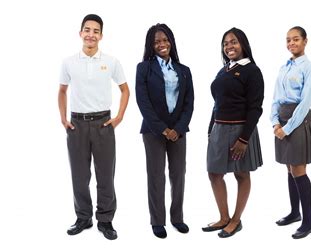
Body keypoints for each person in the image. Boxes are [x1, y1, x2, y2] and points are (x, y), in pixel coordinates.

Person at [58, 14, 130, 240]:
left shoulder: (110, 61)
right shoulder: (69, 62)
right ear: (80, 33)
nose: (91, 34)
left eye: (95, 31)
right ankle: (83, 217)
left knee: (105, 175)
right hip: (76, 125)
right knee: (79, 176)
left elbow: (125, 90)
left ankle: (106, 220)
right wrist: (63, 118)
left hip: (103, 124)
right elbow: (61, 91)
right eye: (87, 30)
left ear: (101, 35)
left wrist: (118, 117)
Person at [202, 27, 264, 238]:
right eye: (226, 43)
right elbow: (217, 103)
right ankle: (224, 217)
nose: (229, 46)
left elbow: (256, 108)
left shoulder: (252, 71)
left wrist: (244, 139)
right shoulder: (224, 70)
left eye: (234, 42)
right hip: (219, 129)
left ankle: (236, 220)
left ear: (243, 45)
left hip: (240, 130)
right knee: (214, 173)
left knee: (241, 173)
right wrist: (211, 130)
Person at [136, 23, 194, 239]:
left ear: (171, 41)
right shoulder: (144, 68)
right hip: (153, 131)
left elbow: (189, 103)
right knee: (156, 176)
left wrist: (177, 129)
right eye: (157, 41)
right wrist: (163, 129)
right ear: (151, 45)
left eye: (165, 39)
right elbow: (143, 102)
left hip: (178, 131)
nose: (162, 44)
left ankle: (177, 218)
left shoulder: (184, 70)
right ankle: (157, 221)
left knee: (179, 174)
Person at [270, 26, 311, 239]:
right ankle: (294, 213)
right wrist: (274, 123)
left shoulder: (310, 68)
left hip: (298, 122)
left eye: (296, 39)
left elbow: (305, 103)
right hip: (281, 120)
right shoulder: (284, 67)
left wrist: (287, 127)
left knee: (298, 170)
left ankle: (308, 222)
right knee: (289, 168)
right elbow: (275, 98)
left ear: (305, 41)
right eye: (288, 40)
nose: (291, 43)